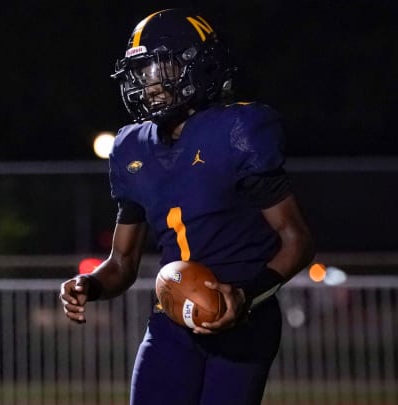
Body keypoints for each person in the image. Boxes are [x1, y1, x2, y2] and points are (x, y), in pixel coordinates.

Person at [59, 8, 315, 405]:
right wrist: (89, 285)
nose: (149, 83)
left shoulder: (237, 130)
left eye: (159, 67)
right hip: (171, 321)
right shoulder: (131, 148)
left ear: (196, 64)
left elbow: (297, 240)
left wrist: (246, 296)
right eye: (142, 73)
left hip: (244, 320)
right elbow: (122, 262)